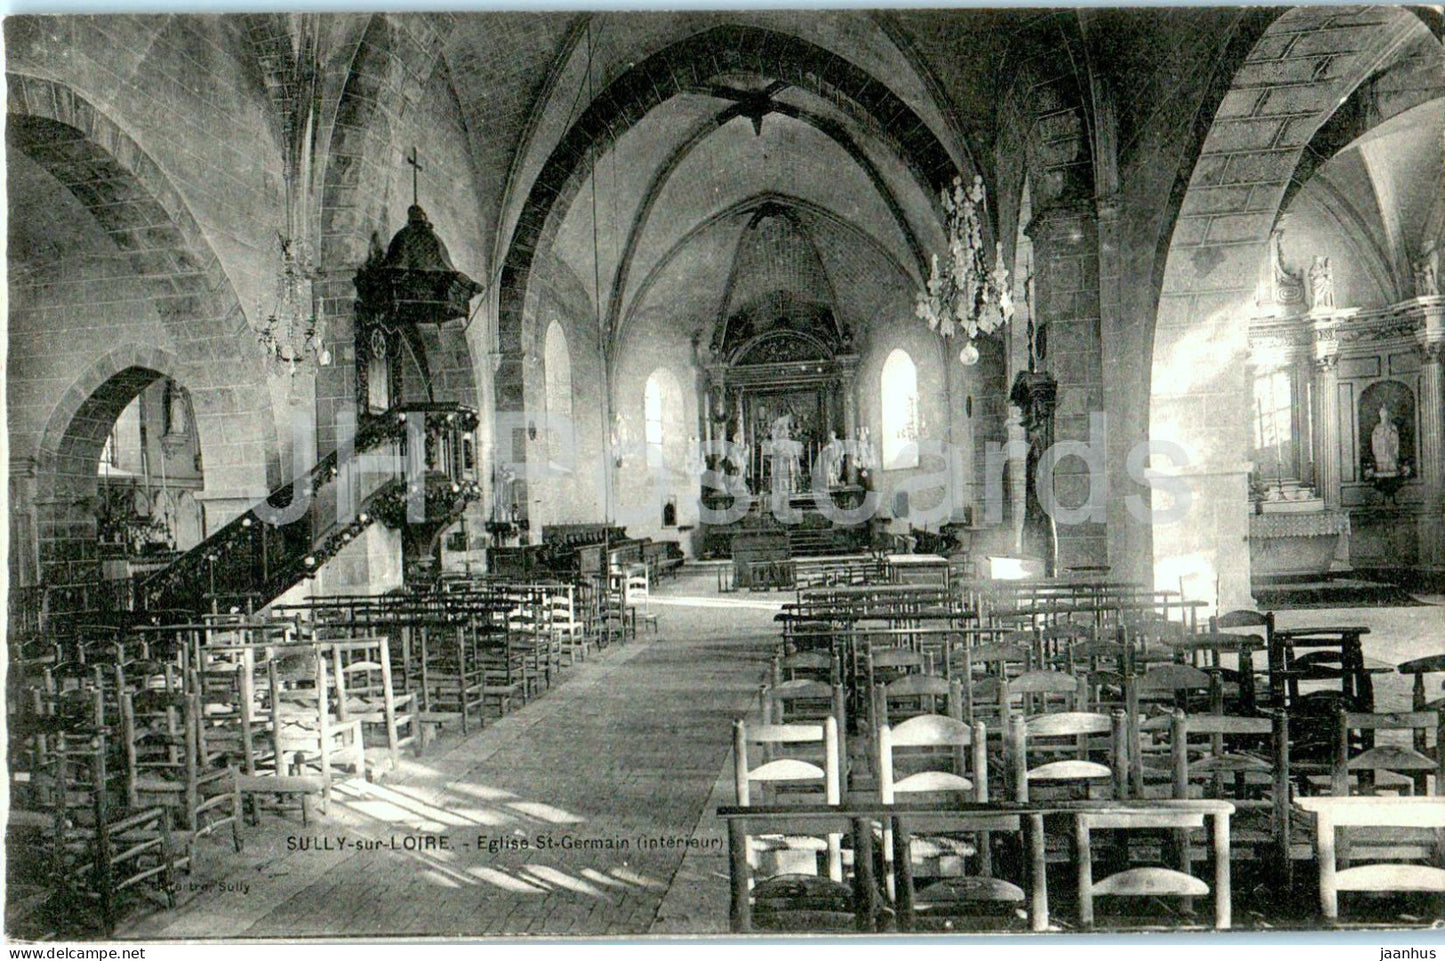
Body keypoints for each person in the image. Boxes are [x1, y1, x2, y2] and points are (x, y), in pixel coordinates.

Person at [1371, 405, 1399, 476]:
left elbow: (1395, 440)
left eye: (1385, 413)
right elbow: (1374, 440)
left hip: (1390, 450)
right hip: (1380, 451)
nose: (1383, 416)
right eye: (1382, 414)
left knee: (1390, 463)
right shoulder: (1377, 427)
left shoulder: (1392, 427)